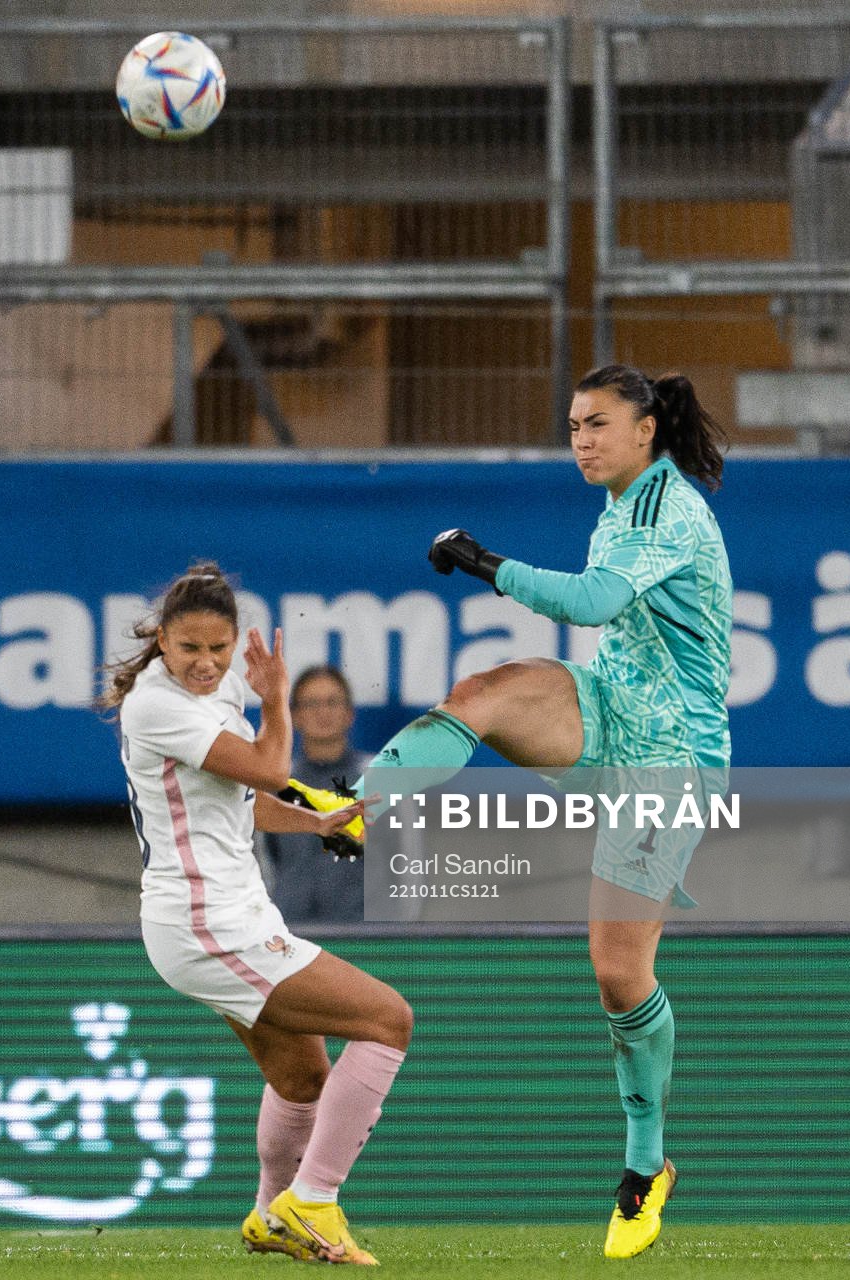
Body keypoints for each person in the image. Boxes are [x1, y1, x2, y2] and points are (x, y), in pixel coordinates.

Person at [295, 365, 730, 1259]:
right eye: (573, 425)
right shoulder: (622, 504)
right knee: (485, 691)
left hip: (671, 757)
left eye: (598, 423)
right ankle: (363, 806)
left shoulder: (662, 509)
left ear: (647, 429)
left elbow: (594, 602)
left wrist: (489, 564)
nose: (581, 439)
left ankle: (647, 1166)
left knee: (617, 973)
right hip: (611, 708)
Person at [104, 564, 412, 1266]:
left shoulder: (207, 697)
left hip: (228, 918)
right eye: (190, 649)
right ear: (161, 641)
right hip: (206, 924)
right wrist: (277, 702)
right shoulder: (157, 705)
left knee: (302, 1079)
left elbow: (243, 797)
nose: (207, 663)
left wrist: (319, 824)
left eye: (219, 648)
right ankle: (314, 1201)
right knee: (388, 1019)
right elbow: (273, 768)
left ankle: (272, 1213)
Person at [265, 666, 369, 924]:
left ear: (350, 714)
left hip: (364, 935)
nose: (323, 713)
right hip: (289, 932)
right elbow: (260, 861)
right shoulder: (274, 784)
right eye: (311, 704)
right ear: (294, 716)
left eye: (332, 702)